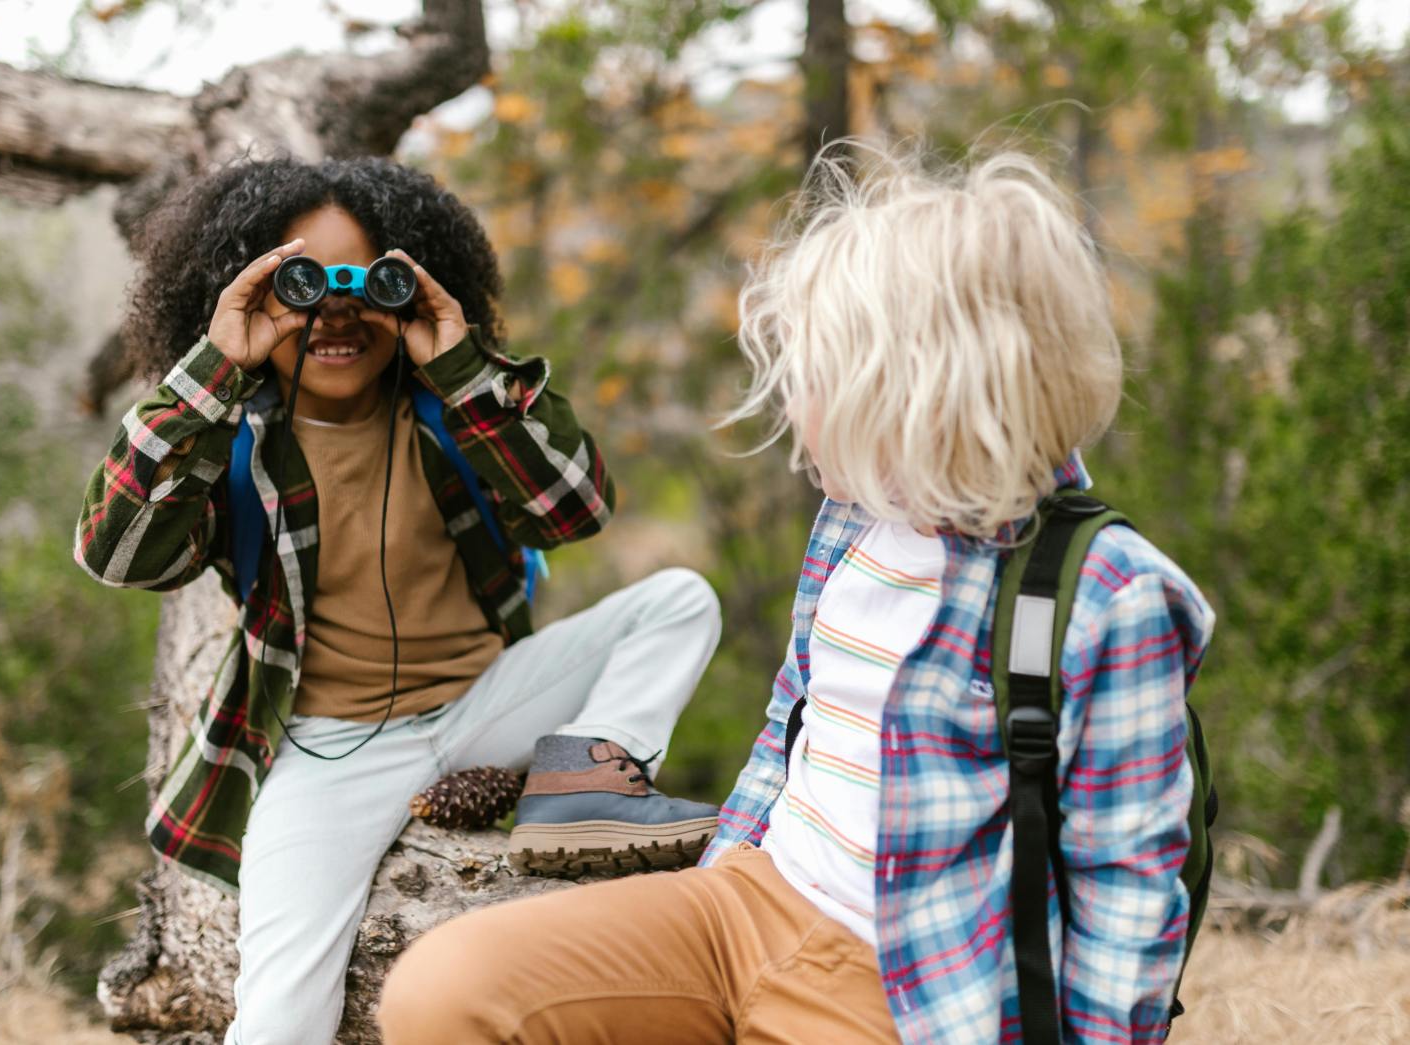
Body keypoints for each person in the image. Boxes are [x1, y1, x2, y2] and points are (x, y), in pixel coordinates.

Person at [377, 144, 1216, 1045]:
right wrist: (725, 866)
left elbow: (1128, 888)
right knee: (446, 989)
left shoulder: (1108, 594)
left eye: (815, 381)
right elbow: (795, 716)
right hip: (747, 901)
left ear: (919, 392)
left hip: (910, 983)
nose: (791, 406)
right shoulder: (853, 519)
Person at [73, 156, 723, 1045]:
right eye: (302, 287)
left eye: (370, 283)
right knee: (280, 1014)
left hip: (487, 704)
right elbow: (114, 554)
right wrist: (213, 370)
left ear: (415, 284)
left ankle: (582, 783)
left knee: (678, 599)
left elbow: (575, 509)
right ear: (247, 296)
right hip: (331, 752)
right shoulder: (231, 446)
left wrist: (461, 365)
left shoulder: (454, 413)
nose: (337, 314)